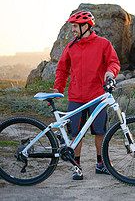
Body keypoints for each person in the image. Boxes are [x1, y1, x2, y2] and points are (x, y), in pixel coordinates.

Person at [52, 11, 121, 180]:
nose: (73, 30)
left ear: (86, 26)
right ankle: (76, 165)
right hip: (76, 97)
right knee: (76, 133)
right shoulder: (70, 47)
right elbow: (62, 69)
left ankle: (101, 164)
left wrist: (110, 73)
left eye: (75, 26)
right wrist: (58, 89)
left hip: (97, 95)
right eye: (73, 26)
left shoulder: (103, 44)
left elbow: (114, 62)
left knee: (99, 131)